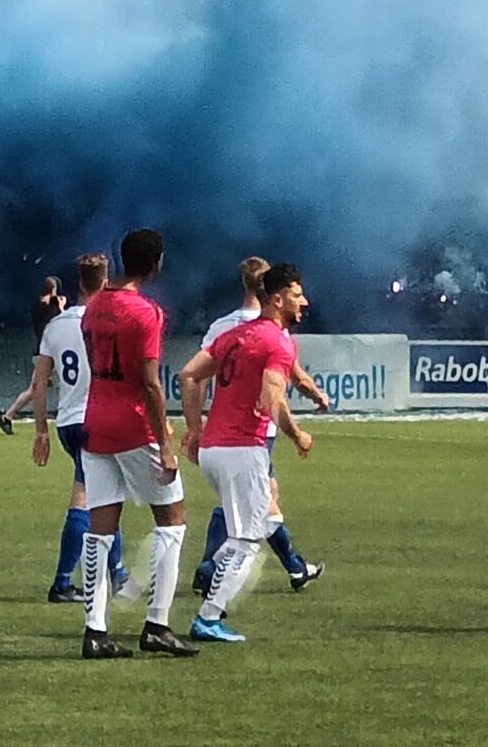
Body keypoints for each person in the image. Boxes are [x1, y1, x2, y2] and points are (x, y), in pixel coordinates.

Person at [75, 228, 198, 660]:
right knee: (173, 520)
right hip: (132, 425)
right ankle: (157, 623)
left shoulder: (93, 308)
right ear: (157, 263)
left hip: (95, 422)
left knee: (101, 527)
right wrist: (165, 440)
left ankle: (95, 630)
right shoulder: (146, 313)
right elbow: (149, 384)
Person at [177, 262, 315, 643]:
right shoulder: (278, 341)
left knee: (241, 533)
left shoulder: (235, 335)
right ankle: (208, 617)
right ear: (277, 298)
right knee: (249, 541)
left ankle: (210, 570)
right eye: (298, 295)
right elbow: (273, 398)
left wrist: (194, 429)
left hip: (213, 450)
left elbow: (188, 375)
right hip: (243, 448)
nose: (304, 302)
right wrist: (297, 434)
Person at [30, 253, 127, 602]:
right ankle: (61, 582)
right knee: (87, 498)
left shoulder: (55, 325)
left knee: (107, 494)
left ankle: (117, 572)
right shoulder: (109, 319)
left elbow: (40, 381)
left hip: (68, 420)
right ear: (105, 283)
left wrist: (41, 430)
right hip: (97, 418)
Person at [0, 276, 67, 434]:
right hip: (50, 355)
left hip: (41, 352)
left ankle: (7, 416)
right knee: (64, 386)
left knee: (34, 390)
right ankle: (69, 416)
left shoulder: (37, 306)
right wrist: (61, 306)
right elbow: (62, 321)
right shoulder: (53, 307)